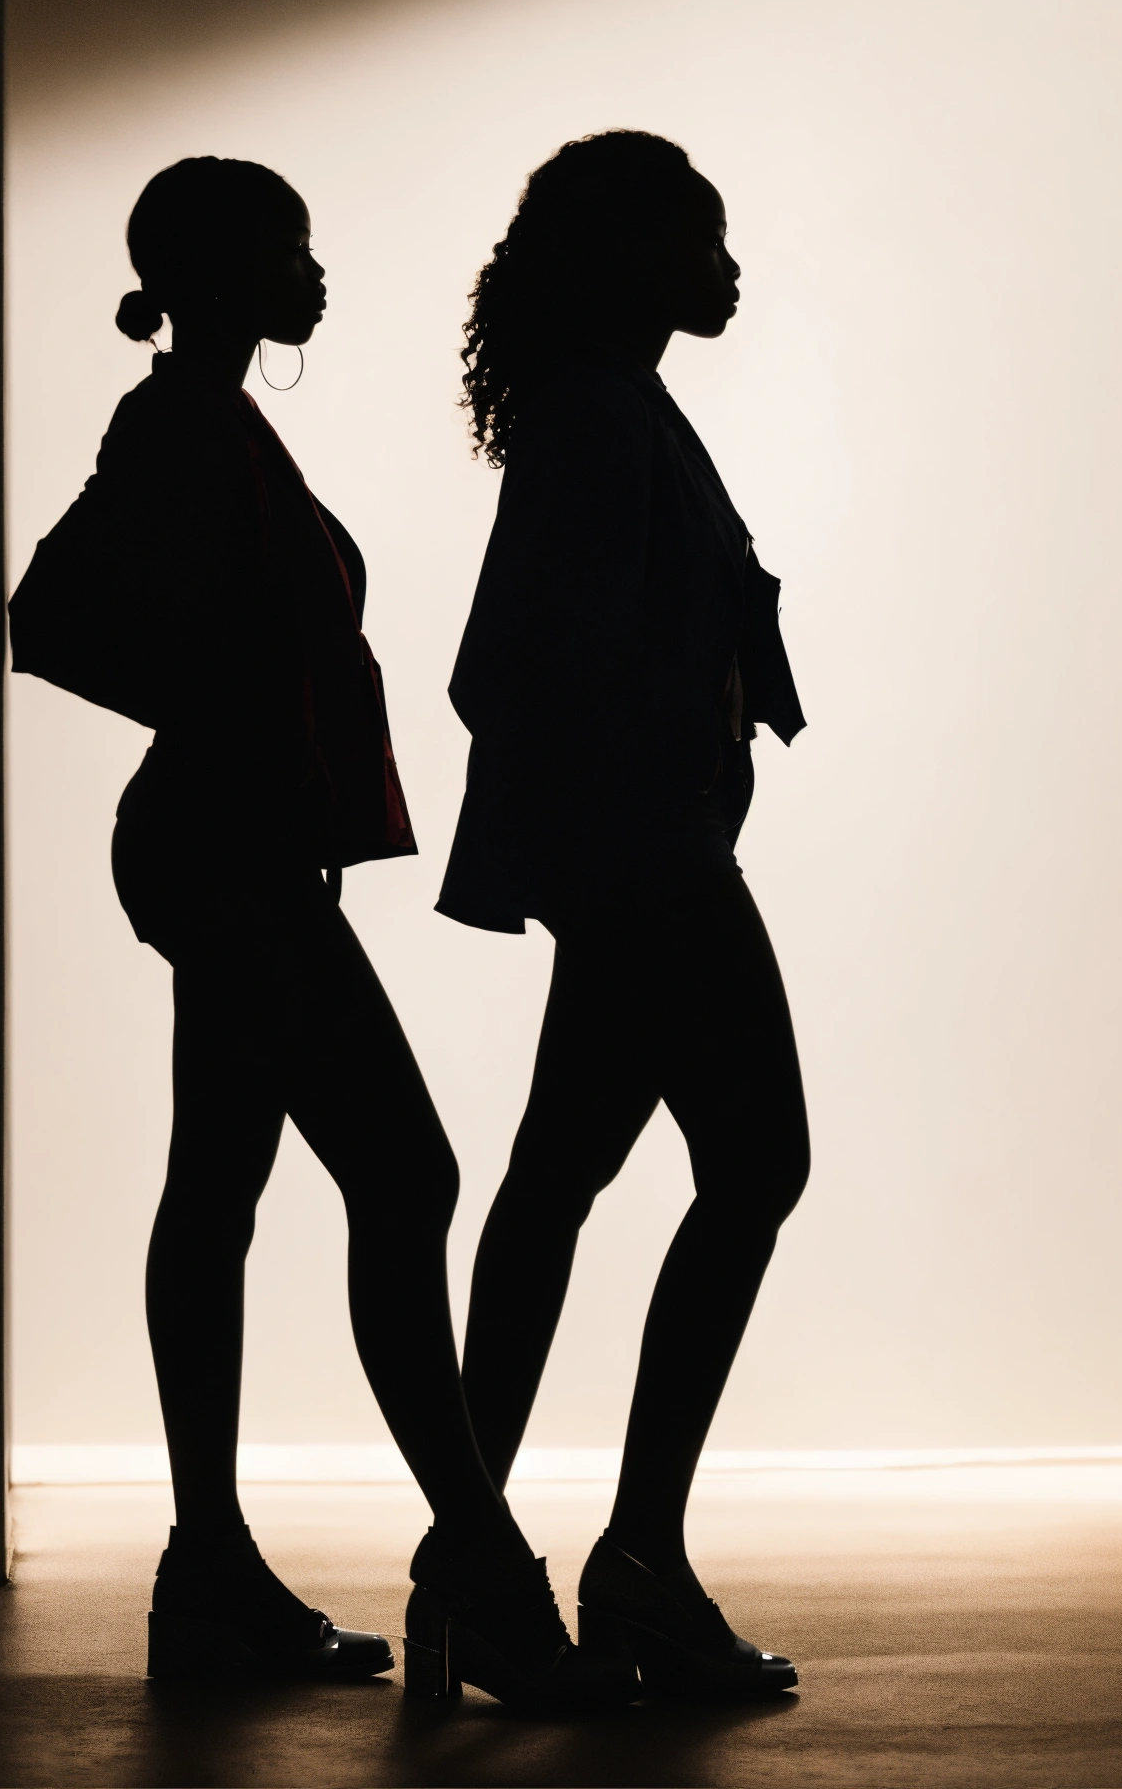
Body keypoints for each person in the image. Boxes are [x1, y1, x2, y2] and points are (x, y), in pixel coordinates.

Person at [8, 156, 631, 1708]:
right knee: (404, 1173)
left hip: (241, 860)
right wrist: (217, 717)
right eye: (290, 243)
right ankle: (478, 1569)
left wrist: (229, 717)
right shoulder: (173, 423)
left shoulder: (213, 423)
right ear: (219, 276)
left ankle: (209, 1570)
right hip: (228, 862)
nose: (318, 266)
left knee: (216, 1187)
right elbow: (50, 612)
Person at [438, 130, 808, 1701]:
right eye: (704, 237)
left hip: (630, 868)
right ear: (638, 254)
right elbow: (507, 663)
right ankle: (627, 1558)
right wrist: (640, 826)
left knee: (553, 1187)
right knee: (752, 1165)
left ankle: (475, 1557)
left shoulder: (607, 409)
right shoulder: (602, 422)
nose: (729, 267)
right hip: (655, 870)